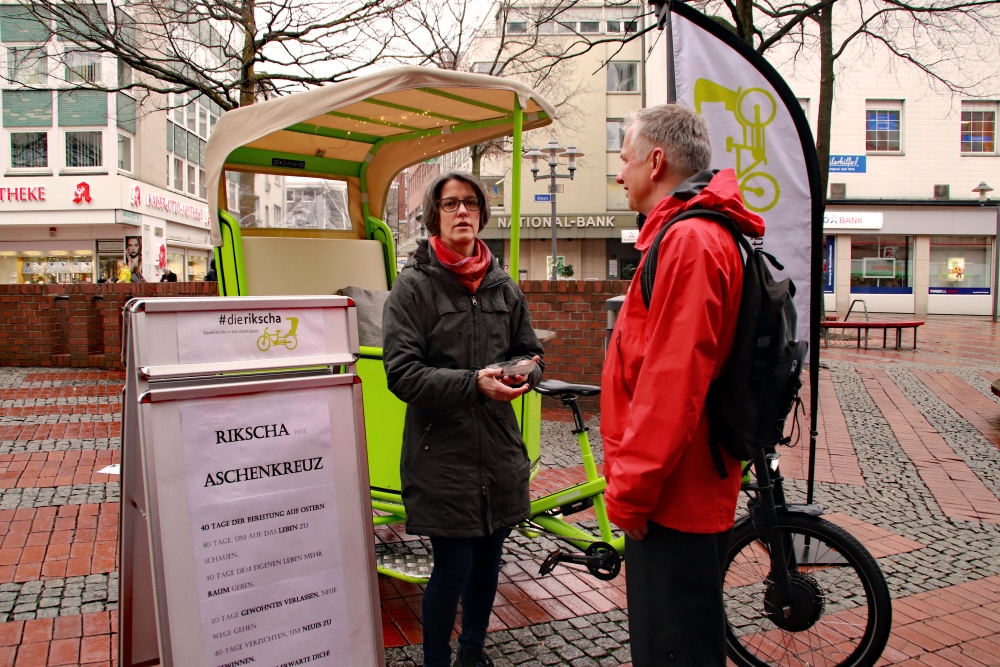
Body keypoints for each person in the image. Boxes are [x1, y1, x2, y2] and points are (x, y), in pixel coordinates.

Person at [601, 105, 765, 666]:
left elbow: (671, 386)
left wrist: (629, 491)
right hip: (683, 486)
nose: (619, 174)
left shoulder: (690, 241)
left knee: (674, 649)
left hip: (674, 497)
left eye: (624, 160)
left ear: (656, 159)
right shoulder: (692, 235)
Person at [382, 172, 544, 667]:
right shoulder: (413, 287)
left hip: (498, 453)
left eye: (470, 203)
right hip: (442, 456)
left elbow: (531, 352)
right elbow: (402, 374)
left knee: (488, 566)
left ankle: (472, 653)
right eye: (450, 204)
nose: (461, 212)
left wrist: (526, 373)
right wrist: (473, 383)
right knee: (452, 569)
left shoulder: (502, 285)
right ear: (434, 214)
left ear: (481, 213)